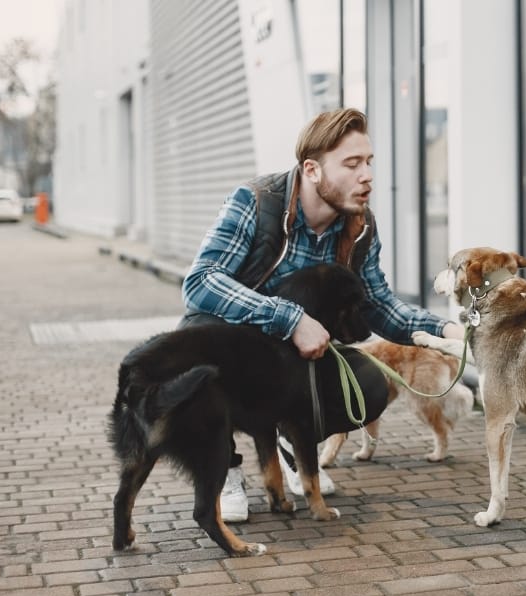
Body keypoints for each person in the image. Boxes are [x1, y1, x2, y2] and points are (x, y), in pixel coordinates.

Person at [180, 107, 465, 523]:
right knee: (195, 350)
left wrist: (447, 330)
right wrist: (291, 318)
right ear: (312, 170)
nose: (366, 175)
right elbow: (200, 281)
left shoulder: (360, 226)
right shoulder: (255, 202)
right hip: (236, 342)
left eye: (368, 163)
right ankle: (222, 467)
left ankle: (293, 445)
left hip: (298, 358)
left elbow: (379, 305)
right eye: (351, 164)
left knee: (369, 383)